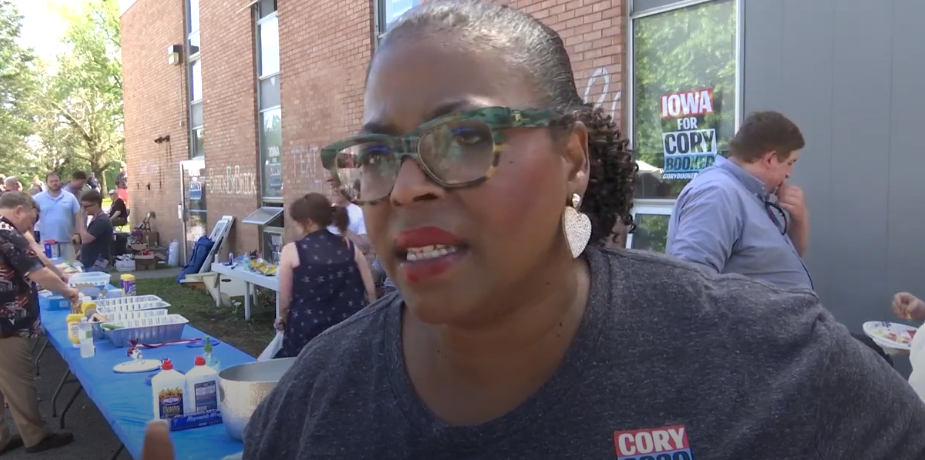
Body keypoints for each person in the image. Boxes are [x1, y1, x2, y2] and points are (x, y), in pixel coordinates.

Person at [142, 1, 925, 458]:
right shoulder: (312, 410)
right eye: (377, 155)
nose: (407, 187)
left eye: (467, 140)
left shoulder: (772, 365)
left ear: (572, 158)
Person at [666, 111, 812, 290]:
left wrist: (799, 220)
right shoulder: (717, 194)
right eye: (790, 162)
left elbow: (784, 259)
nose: (789, 173)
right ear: (770, 159)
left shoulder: (750, 193)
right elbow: (688, 284)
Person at [0, 192, 80, 455]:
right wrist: (69, 292)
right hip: (6, 325)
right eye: (30, 221)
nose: (30, 229)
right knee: (18, 384)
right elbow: (36, 271)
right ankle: (35, 436)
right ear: (19, 211)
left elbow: (38, 259)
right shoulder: (6, 233)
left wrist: (59, 277)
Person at [274, 193, 376, 358]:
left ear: (308, 222)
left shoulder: (292, 251)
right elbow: (370, 290)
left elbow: (285, 299)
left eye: (296, 221)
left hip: (306, 330)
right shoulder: (350, 246)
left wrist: (282, 318)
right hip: (348, 327)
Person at [32, 173, 81, 261]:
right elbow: (31, 216)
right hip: (47, 243)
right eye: (51, 181)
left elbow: (78, 215)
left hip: (67, 241)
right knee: (52, 269)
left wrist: (77, 233)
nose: (54, 183)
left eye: (56, 181)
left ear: (60, 181)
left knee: (70, 268)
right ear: (46, 183)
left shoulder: (70, 197)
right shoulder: (38, 198)